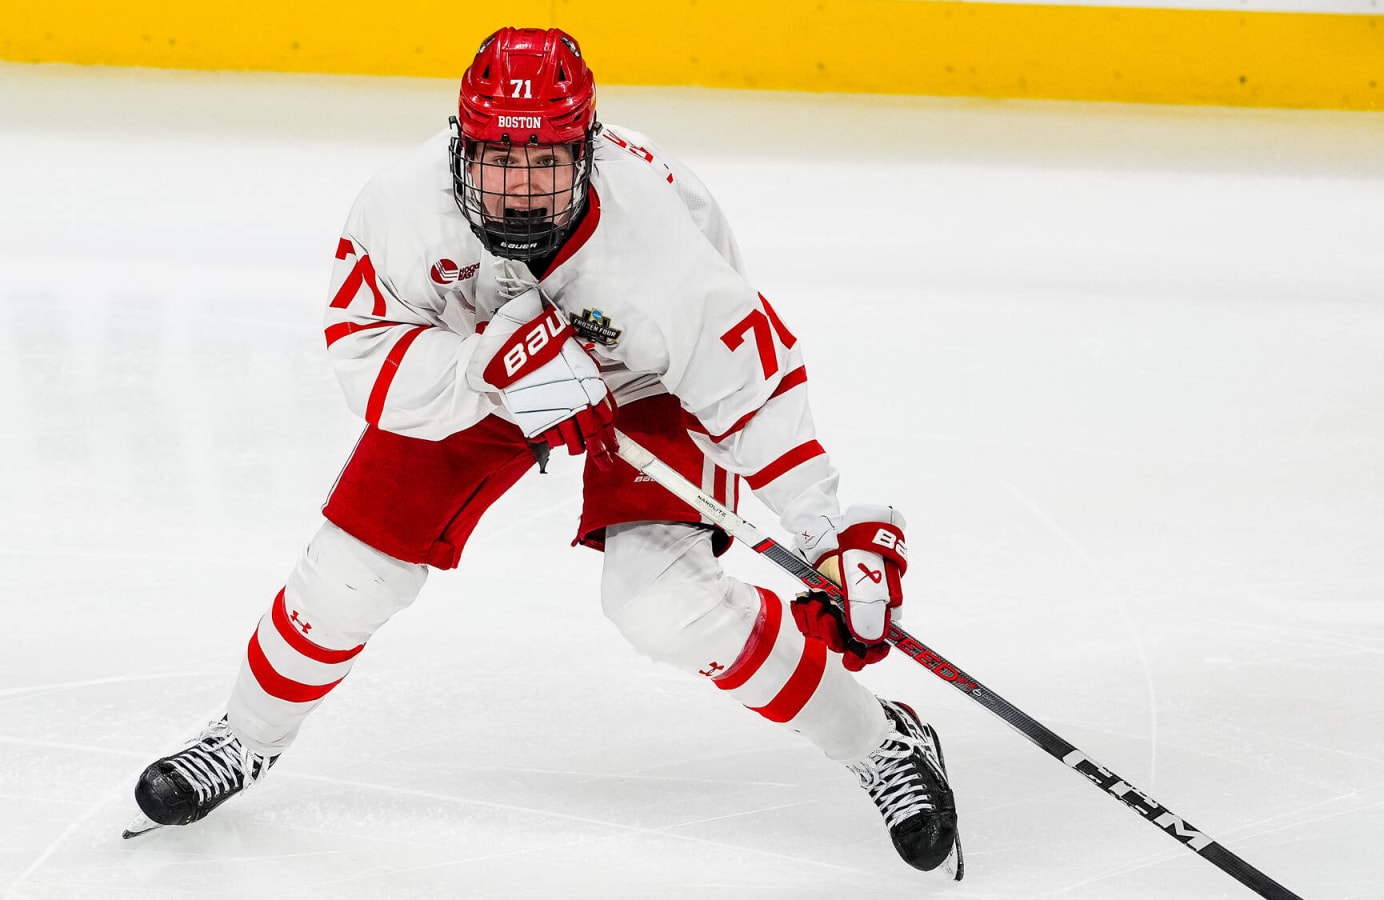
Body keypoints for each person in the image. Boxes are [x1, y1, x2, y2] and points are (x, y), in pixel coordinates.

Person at [128, 26, 962, 879]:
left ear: (588, 153)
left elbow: (753, 391)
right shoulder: (401, 208)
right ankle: (243, 737)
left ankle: (881, 740)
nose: (523, 191)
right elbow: (362, 353)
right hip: (472, 362)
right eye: (498, 163)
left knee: (662, 604)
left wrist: (824, 537)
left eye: (548, 165)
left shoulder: (661, 250)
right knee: (350, 572)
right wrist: (486, 368)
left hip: (645, 381)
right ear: (460, 150)